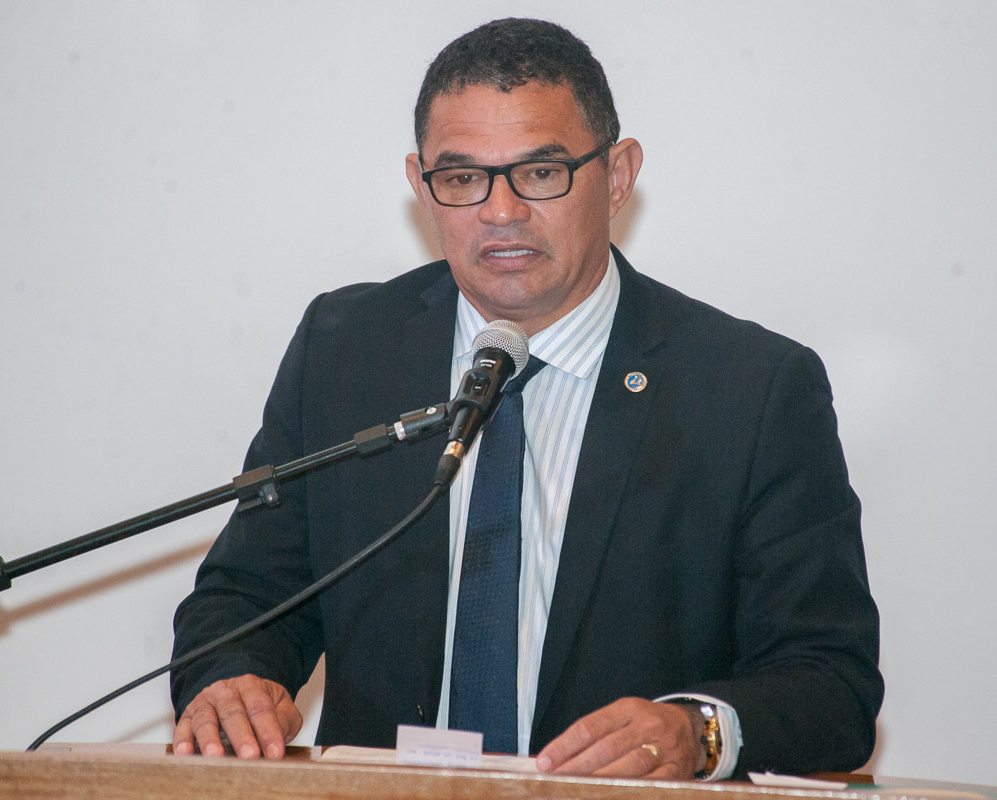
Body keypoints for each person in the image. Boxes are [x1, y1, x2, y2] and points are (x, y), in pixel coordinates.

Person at [170, 18, 882, 781]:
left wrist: (697, 731)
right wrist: (233, 681)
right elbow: (247, 595)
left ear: (617, 175)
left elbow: (831, 682)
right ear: (421, 186)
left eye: (541, 173)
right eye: (462, 178)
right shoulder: (347, 350)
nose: (501, 211)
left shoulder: (749, 388)